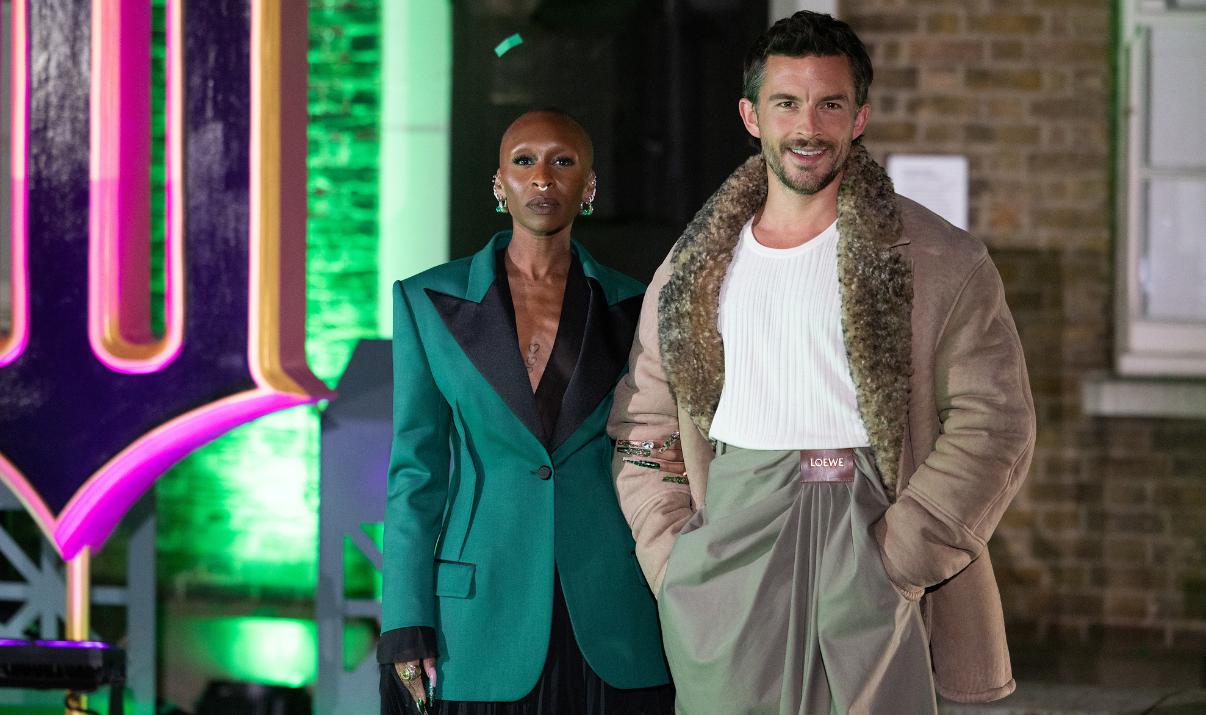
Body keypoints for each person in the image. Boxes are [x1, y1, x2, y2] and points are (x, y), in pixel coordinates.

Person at [609, 12, 1035, 715]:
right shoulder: (690, 268)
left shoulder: (941, 261)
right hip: (729, 544)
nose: (808, 126)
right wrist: (672, 557)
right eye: (787, 103)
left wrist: (904, 556)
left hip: (867, 528)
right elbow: (641, 425)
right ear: (750, 116)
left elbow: (998, 425)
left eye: (829, 103)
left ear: (859, 116)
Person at [378, 109, 677, 715]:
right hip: (477, 620)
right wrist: (406, 617)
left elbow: (659, 451)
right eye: (524, 161)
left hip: (613, 609)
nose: (543, 177)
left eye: (562, 162)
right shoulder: (426, 302)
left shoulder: (640, 307)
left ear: (588, 188)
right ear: (499, 184)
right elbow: (416, 472)